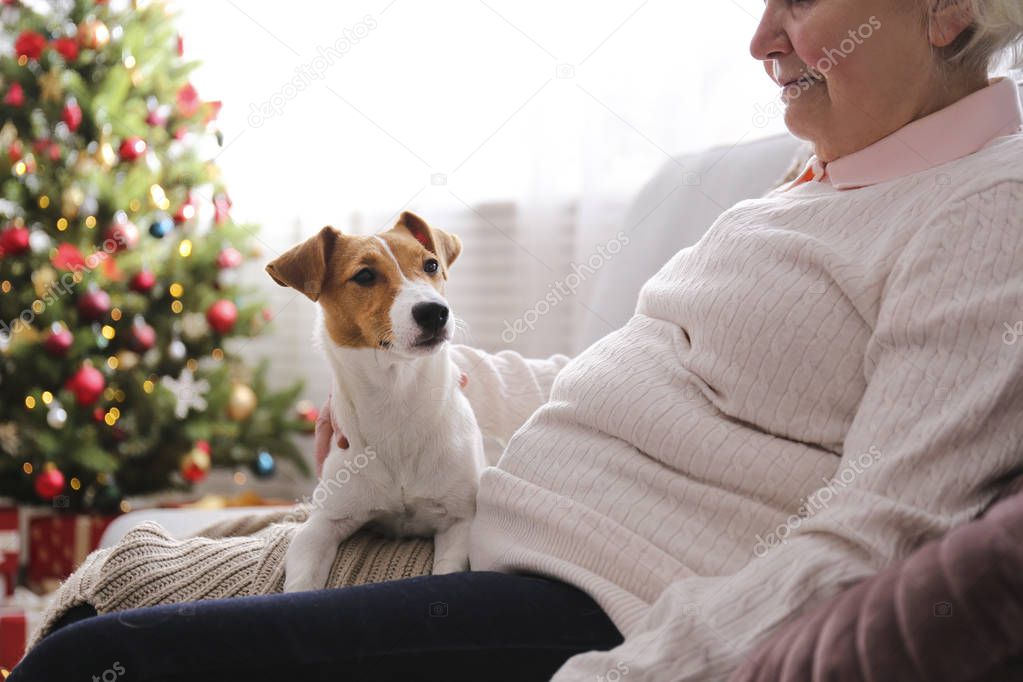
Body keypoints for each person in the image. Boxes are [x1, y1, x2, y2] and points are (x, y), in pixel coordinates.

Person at [12, 1, 1023, 680]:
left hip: (597, 604)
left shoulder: (987, 209)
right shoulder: (812, 187)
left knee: (96, 664)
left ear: (947, 9)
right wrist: (414, 390)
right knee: (115, 596)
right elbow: (618, 382)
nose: (763, 39)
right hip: (498, 531)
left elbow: (881, 532)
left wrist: (626, 673)